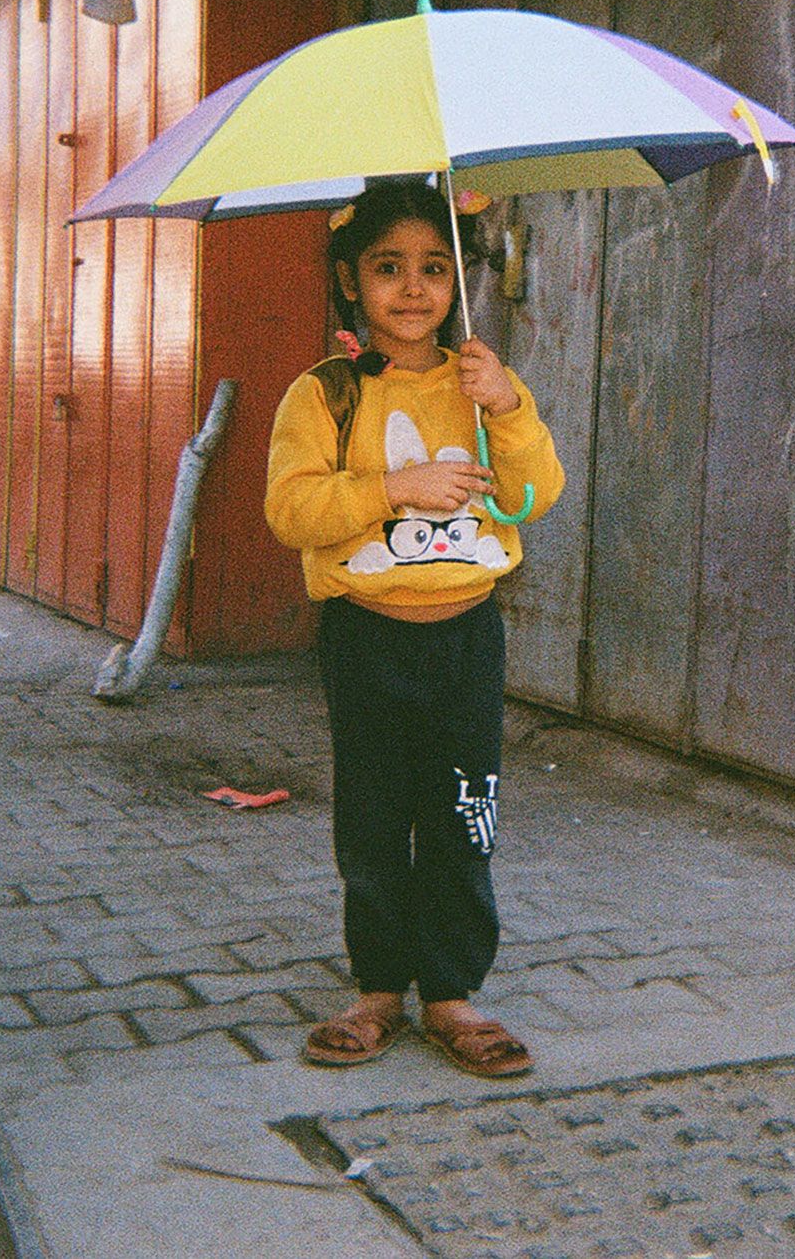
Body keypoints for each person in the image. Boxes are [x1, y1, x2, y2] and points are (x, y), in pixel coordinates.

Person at [265, 180, 564, 1080]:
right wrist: (395, 489)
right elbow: (292, 510)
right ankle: (377, 991)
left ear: (460, 279)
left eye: (435, 268)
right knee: (372, 817)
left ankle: (453, 995)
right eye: (388, 267)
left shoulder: (485, 385)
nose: (412, 287)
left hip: (467, 642)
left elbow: (532, 497)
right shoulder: (325, 395)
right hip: (366, 640)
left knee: (463, 816)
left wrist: (506, 411)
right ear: (351, 281)